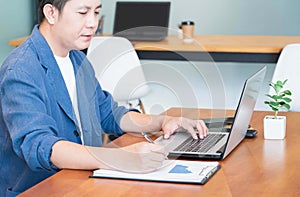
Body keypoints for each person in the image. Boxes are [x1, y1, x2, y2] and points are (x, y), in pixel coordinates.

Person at [0, 0, 208, 196]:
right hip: (41, 189)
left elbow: (107, 113)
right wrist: (121, 158)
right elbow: (41, 146)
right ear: (51, 13)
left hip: (82, 180)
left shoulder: (77, 58)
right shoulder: (21, 70)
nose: (93, 23)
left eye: (97, 12)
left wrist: (162, 121)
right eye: (83, 12)